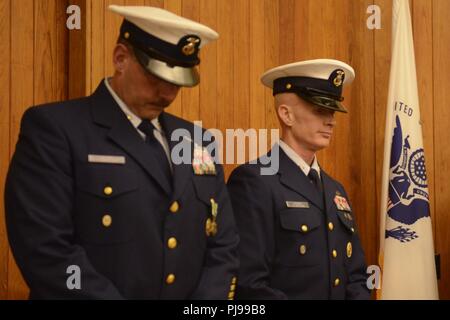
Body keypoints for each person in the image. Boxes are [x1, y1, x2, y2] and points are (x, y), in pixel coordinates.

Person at [5, 5, 238, 299]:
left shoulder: (197, 140)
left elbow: (223, 245)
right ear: (120, 58)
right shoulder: (56, 129)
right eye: (156, 78)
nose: (167, 94)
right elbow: (46, 250)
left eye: (177, 83)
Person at [227, 59, 370, 299]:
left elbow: (356, 275)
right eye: (319, 110)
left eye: (332, 111)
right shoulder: (254, 182)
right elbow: (249, 283)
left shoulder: (336, 191)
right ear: (287, 115)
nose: (331, 121)